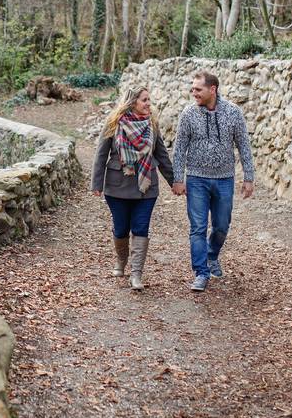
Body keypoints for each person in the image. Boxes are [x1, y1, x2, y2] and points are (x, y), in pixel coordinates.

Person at [171, 71, 255, 292]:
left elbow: (244, 146)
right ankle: (201, 272)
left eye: (198, 89)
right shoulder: (188, 114)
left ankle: (212, 255)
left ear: (213, 89)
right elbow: (179, 149)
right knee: (197, 227)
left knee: (221, 225)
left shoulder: (233, 113)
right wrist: (178, 178)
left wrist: (249, 177)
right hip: (196, 179)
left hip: (225, 179)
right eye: (193, 89)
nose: (194, 93)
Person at [91, 87, 174, 290]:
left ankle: (136, 275)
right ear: (132, 102)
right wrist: (96, 183)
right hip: (117, 185)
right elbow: (101, 155)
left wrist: (175, 182)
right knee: (121, 228)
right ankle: (121, 260)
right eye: (145, 100)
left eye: (149, 100)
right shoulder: (114, 123)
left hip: (146, 187)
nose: (148, 104)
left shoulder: (151, 124)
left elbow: (162, 155)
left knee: (140, 228)